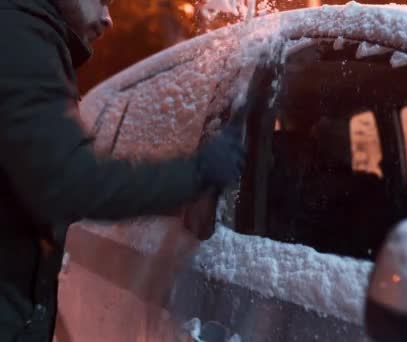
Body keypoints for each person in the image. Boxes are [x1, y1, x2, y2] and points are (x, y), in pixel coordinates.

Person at [0, 0, 245, 340]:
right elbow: (68, 183)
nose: (108, 19)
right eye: (103, 0)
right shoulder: (18, 39)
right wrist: (198, 173)